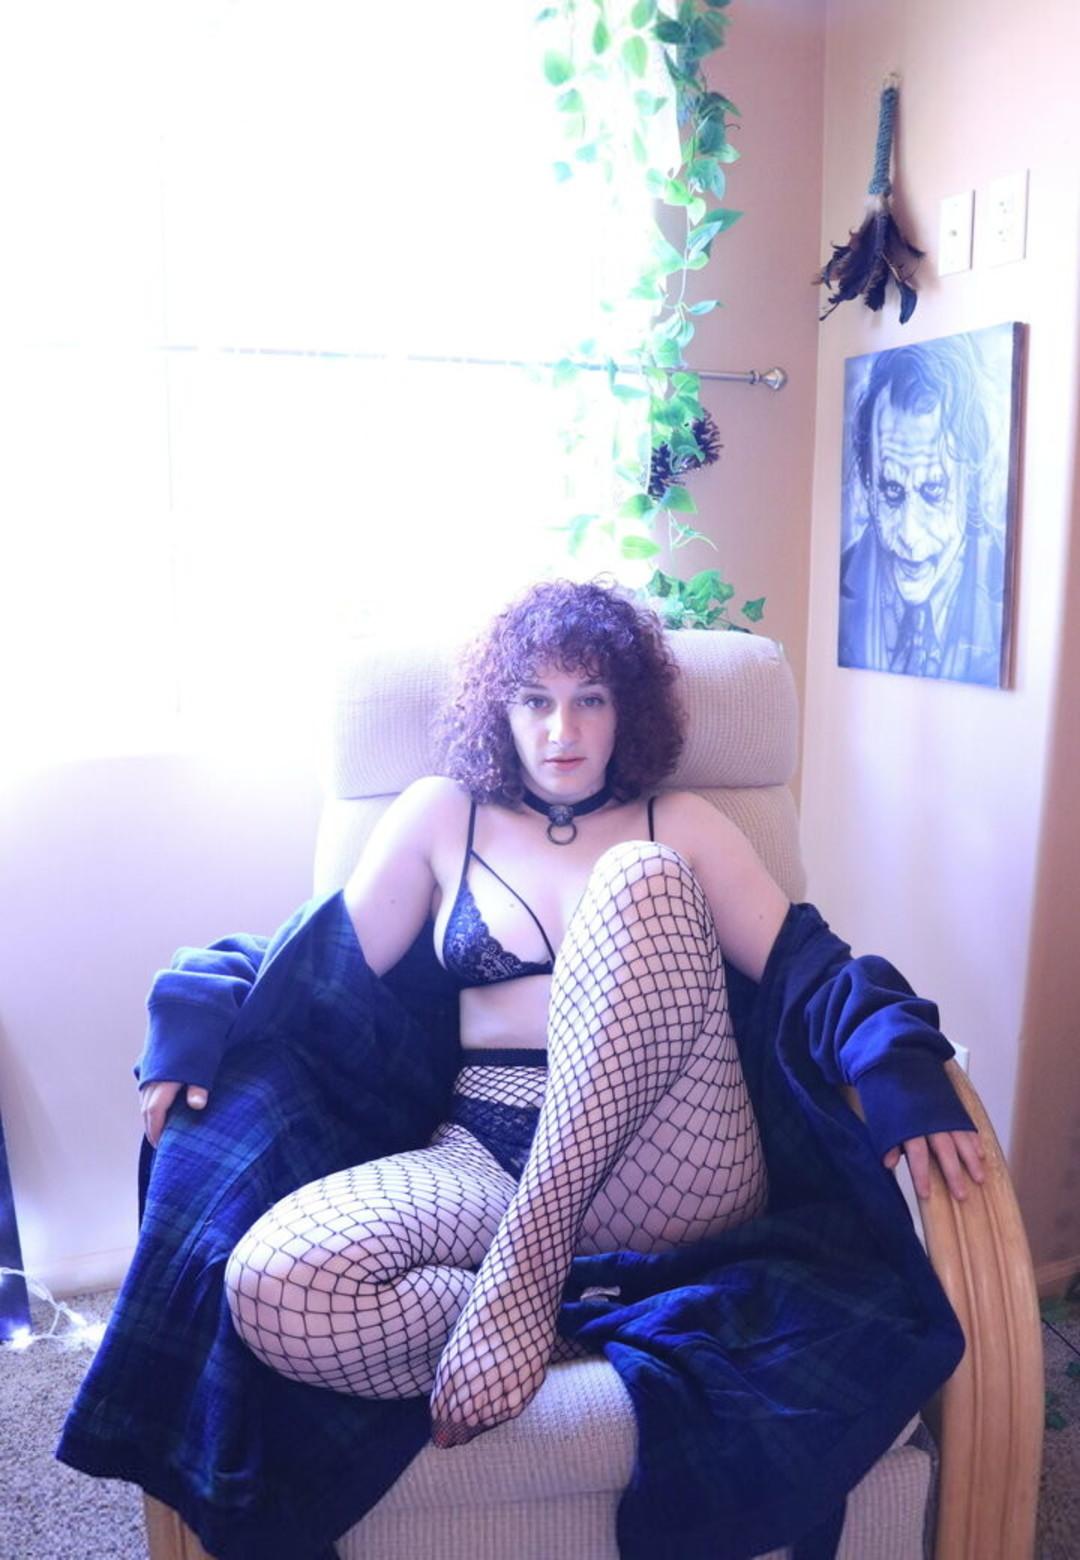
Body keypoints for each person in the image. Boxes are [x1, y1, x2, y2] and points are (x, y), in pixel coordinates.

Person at [140, 579, 983, 1453]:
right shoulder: (442, 815)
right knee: (274, 1285)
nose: (562, 730)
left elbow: (809, 969)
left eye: (592, 699)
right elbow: (315, 966)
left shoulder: (680, 821)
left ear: (629, 711)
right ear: (498, 712)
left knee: (639, 877)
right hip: (485, 1149)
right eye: (534, 701)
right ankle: (566, 1311)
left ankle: (522, 1277)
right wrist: (197, 1004)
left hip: (672, 1151)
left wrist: (896, 1061)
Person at [838, 333, 1008, 686]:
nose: (909, 535)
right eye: (892, 491)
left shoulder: (1010, 596)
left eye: (933, 492)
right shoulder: (841, 580)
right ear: (868, 482)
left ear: (972, 482)